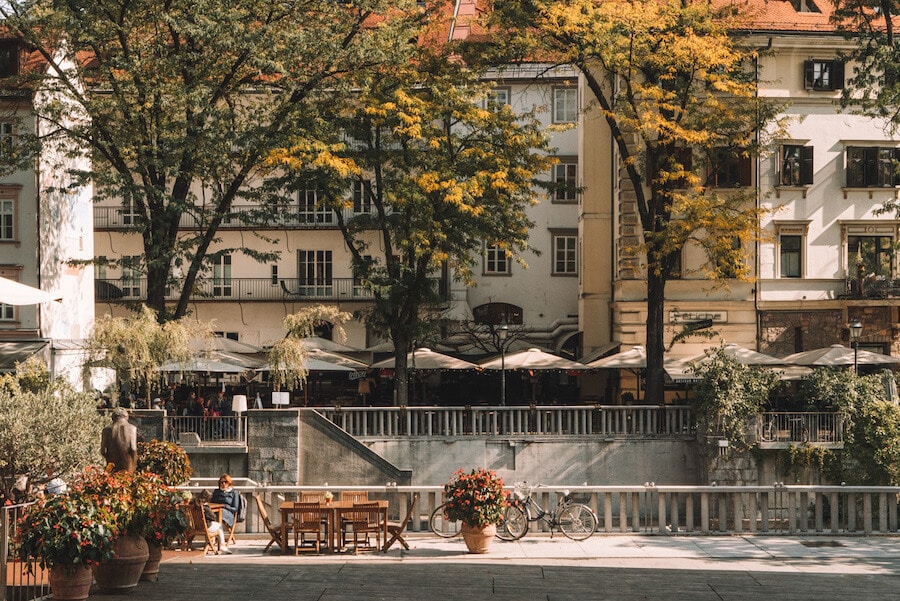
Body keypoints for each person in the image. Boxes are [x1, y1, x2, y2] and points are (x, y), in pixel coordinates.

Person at [100, 407, 138, 473]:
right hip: (128, 465)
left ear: (113, 418)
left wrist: (109, 459)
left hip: (112, 465)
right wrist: (133, 464)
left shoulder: (106, 430)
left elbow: (103, 451)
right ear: (126, 417)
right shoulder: (132, 428)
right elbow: (133, 449)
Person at [193, 489, 231, 553]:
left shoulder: (194, 505)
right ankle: (222, 544)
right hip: (206, 527)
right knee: (219, 526)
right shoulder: (206, 508)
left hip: (194, 526)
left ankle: (211, 542)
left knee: (216, 526)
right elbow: (213, 517)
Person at [210, 473, 240, 540]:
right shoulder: (216, 492)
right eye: (221, 482)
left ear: (229, 483)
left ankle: (215, 539)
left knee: (218, 513)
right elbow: (211, 503)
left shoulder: (234, 493)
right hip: (215, 512)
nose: (223, 484)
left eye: (225, 482)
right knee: (207, 513)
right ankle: (211, 537)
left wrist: (225, 506)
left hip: (228, 513)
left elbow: (235, 508)